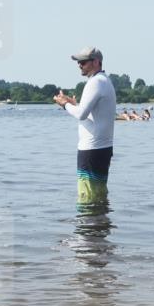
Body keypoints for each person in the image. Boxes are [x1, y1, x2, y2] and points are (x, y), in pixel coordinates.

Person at [53, 46, 116, 207]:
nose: (79, 65)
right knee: (98, 193)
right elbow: (92, 113)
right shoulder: (104, 80)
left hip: (91, 149)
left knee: (87, 196)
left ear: (95, 62)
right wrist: (75, 104)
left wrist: (65, 104)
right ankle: (100, 228)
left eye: (83, 62)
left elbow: (81, 114)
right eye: (78, 62)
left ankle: (88, 231)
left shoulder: (95, 82)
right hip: (102, 147)